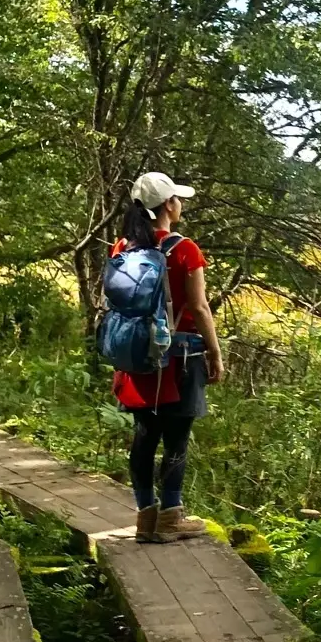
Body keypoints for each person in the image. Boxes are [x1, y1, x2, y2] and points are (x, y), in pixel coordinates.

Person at [111, 171, 225, 542]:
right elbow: (199, 306)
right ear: (168, 205)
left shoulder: (122, 248)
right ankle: (172, 517)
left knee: (144, 435)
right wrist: (216, 353)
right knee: (176, 439)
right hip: (181, 356)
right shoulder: (184, 249)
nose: (181, 204)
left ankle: (146, 516)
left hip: (137, 355)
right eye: (178, 199)